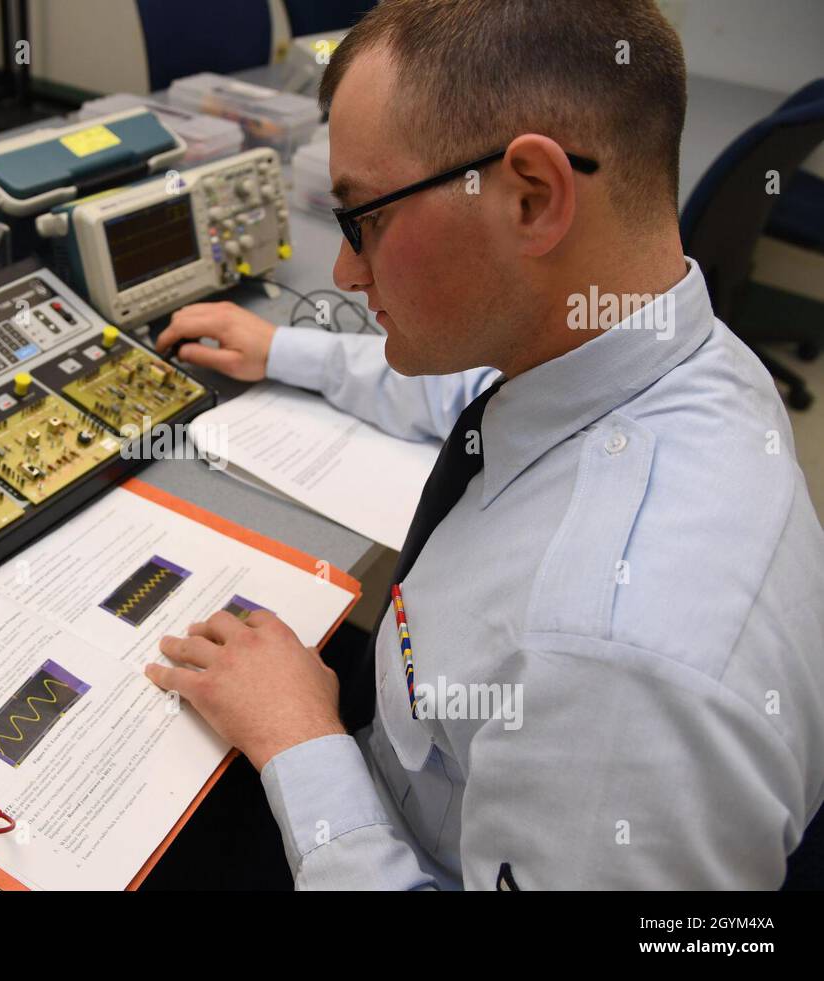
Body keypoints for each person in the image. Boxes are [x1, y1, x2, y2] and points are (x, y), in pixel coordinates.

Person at [142, 0, 824, 889]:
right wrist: (284, 348)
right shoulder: (664, 342)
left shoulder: (615, 672)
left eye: (365, 217)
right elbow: (485, 395)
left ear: (532, 198)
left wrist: (299, 739)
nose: (347, 271)